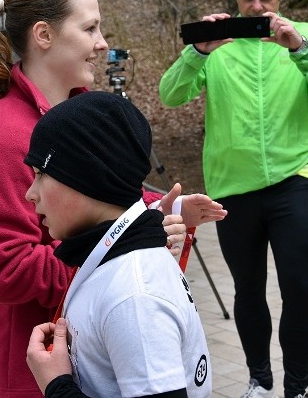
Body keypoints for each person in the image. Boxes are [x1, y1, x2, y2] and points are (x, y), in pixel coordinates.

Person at [0, 0, 226, 398]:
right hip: (31, 377)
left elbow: (101, 201)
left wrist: (161, 209)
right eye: (90, 29)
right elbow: (8, 271)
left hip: (81, 360)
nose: (102, 44)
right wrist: (132, 237)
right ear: (44, 35)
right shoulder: (4, 137)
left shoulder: (76, 116)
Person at [159, 0, 308, 398]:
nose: (258, 6)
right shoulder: (218, 45)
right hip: (233, 188)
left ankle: (296, 389)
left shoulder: (307, 36)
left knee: (299, 288)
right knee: (248, 290)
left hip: (292, 180)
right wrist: (198, 50)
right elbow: (170, 95)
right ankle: (260, 381)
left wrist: (299, 49)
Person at [24, 91, 212, 398]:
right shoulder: (116, 261)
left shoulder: (134, 296)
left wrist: (57, 386)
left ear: (87, 176)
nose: (30, 193)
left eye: (40, 174)